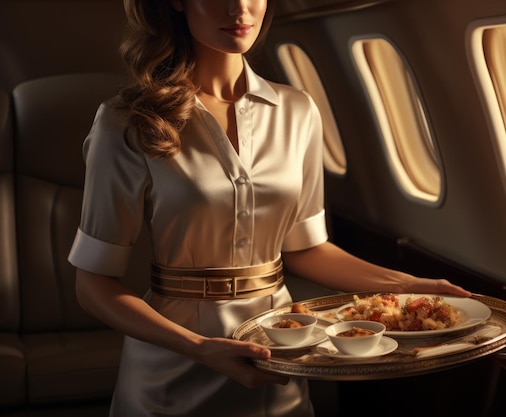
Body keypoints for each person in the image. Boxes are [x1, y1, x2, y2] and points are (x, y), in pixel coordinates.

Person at [68, 0, 472, 416]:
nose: (239, 7)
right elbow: (93, 284)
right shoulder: (126, 121)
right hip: (173, 364)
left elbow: (306, 248)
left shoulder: (298, 111)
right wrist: (199, 348)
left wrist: (406, 287)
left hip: (279, 344)